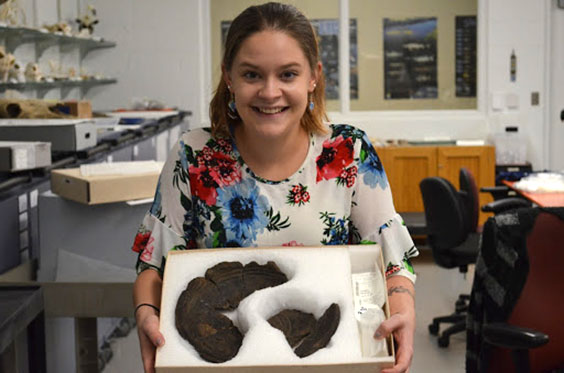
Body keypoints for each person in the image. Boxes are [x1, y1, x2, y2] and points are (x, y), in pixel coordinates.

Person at [132, 2, 418, 373]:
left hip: (323, 357)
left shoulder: (349, 153)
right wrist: (145, 312)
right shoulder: (194, 155)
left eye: (287, 74)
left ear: (313, 77)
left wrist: (403, 308)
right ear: (229, 77)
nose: (270, 92)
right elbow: (153, 265)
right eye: (252, 74)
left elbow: (392, 262)